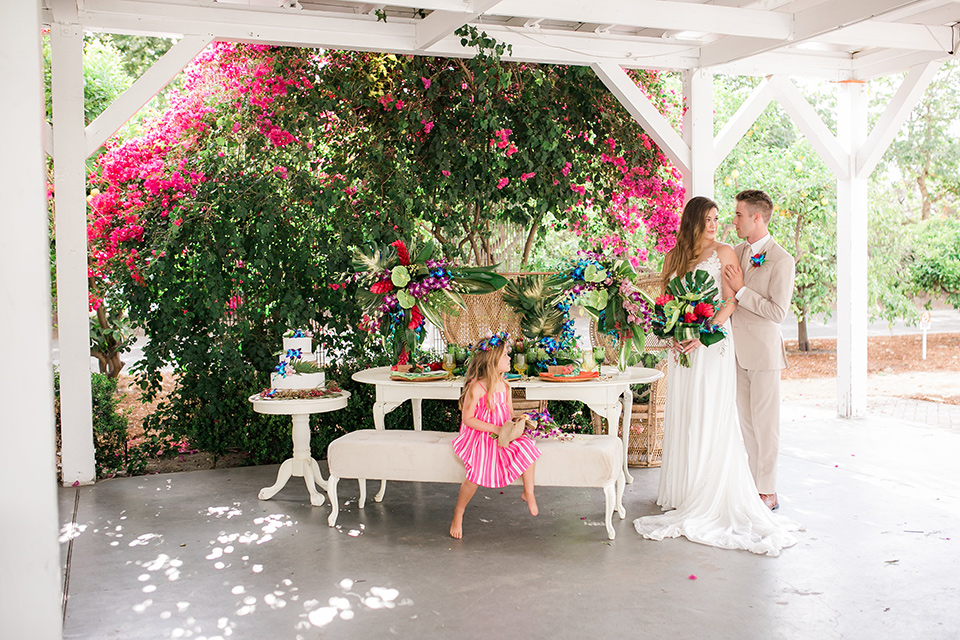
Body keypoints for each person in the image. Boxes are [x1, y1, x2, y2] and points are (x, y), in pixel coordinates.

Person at [633, 196, 799, 556]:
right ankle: (683, 489)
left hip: (713, 345)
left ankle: (752, 491)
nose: (716, 224)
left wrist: (699, 332)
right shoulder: (673, 257)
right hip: (683, 350)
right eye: (708, 219)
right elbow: (665, 302)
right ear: (692, 221)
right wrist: (675, 332)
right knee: (687, 412)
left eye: (720, 218)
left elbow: (731, 301)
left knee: (717, 415)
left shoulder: (728, 253)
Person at [722, 189, 796, 512]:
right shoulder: (735, 252)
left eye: (739, 214)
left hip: (764, 353)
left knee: (766, 426)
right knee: (747, 424)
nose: (734, 220)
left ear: (757, 217)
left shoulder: (782, 260)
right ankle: (752, 486)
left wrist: (742, 290)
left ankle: (768, 490)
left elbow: (778, 312)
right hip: (735, 352)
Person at [450, 332, 541, 539]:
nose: (510, 358)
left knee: (528, 447)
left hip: (501, 432)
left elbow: (507, 416)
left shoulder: (506, 386)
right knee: (476, 473)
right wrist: (494, 429)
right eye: (505, 356)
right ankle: (459, 512)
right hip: (480, 434)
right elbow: (468, 419)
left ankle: (529, 492)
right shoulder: (478, 387)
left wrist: (517, 424)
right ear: (493, 362)